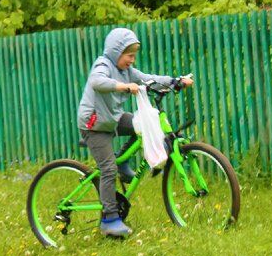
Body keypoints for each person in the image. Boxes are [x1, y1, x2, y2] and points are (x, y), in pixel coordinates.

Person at [76, 28, 193, 238]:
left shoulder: (127, 71)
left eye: (134, 55)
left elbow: (149, 79)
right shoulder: (103, 64)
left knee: (141, 125)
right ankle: (110, 219)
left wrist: (175, 81)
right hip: (94, 124)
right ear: (116, 52)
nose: (132, 60)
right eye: (129, 55)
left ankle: (122, 162)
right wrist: (122, 86)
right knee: (107, 169)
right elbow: (96, 81)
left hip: (112, 118)